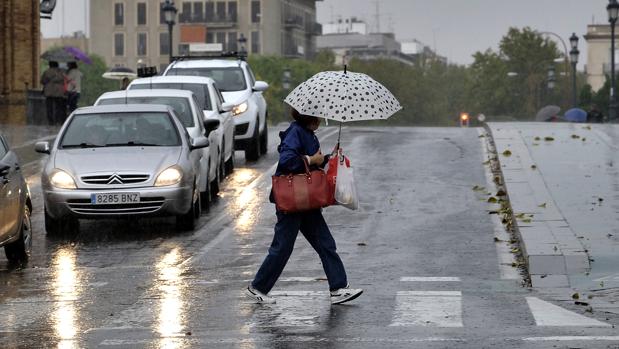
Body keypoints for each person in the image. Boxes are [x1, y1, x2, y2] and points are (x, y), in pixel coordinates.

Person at [245, 108, 363, 305]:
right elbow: (288, 161)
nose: (320, 119)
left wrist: (327, 158)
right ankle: (258, 287)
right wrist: (311, 159)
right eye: (317, 115)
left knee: (325, 243)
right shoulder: (295, 133)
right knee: (282, 247)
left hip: (306, 201)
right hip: (292, 202)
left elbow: (310, 164)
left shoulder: (306, 133)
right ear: (309, 118)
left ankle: (338, 287)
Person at [40, 61, 66, 125]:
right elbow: (63, 80)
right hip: (59, 92)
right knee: (58, 107)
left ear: (50, 65)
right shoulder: (61, 72)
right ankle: (57, 120)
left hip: (49, 91)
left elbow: (43, 81)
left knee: (49, 107)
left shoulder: (47, 72)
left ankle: (51, 122)